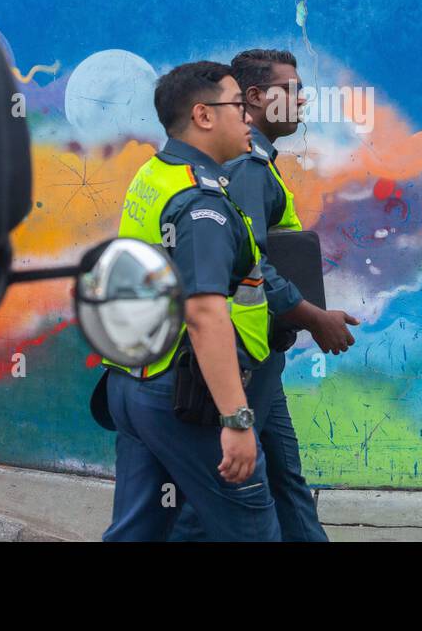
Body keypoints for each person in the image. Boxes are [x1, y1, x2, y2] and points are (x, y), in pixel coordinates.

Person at [169, 48, 358, 543]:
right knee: (222, 487)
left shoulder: (259, 163)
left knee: (284, 481)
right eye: (292, 90)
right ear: (255, 98)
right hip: (243, 354)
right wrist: (314, 316)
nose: (303, 100)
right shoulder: (250, 168)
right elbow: (253, 263)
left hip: (260, 354)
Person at [101, 61, 281, 542]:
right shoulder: (203, 204)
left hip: (135, 380)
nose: (249, 117)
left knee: (140, 531)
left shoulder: (155, 174)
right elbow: (204, 314)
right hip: (184, 395)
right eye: (239, 106)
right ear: (204, 116)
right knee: (252, 528)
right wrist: (237, 420)